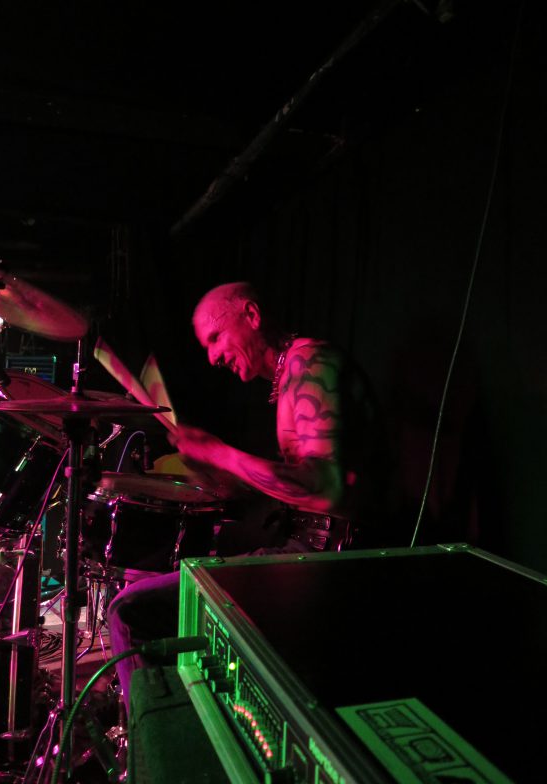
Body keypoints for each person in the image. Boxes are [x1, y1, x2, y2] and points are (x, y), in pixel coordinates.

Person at [108, 281, 388, 709]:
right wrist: (214, 471)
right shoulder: (291, 373)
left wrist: (222, 453)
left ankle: (158, 739)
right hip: (309, 548)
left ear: (251, 316)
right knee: (147, 579)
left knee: (130, 610)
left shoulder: (310, 363)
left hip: (330, 559)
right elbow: (298, 483)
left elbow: (325, 489)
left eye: (216, 338)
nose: (212, 357)